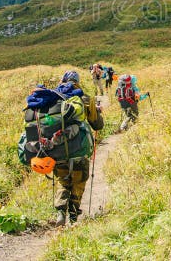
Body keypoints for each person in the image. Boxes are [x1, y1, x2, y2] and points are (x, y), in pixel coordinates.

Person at [52, 70, 103, 226]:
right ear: (78, 81)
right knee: (79, 180)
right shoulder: (85, 98)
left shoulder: (53, 98)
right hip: (79, 149)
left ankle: (61, 211)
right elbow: (97, 125)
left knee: (63, 180)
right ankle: (73, 215)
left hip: (57, 148)